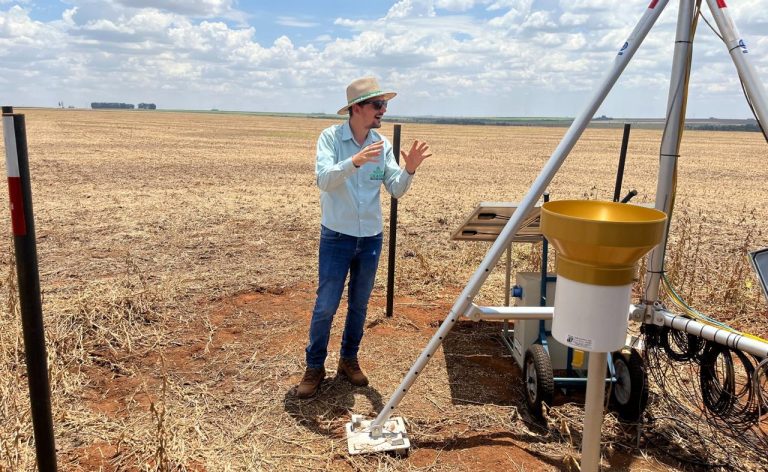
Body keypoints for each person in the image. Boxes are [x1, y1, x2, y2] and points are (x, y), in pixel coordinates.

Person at [297, 76, 432, 398]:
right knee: (326, 306)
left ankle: (348, 360)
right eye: (377, 104)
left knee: (358, 305)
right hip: (337, 237)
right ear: (356, 108)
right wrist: (355, 161)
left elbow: (395, 188)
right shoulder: (331, 138)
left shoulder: (382, 146)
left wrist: (409, 170)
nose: (383, 110)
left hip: (371, 238)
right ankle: (314, 367)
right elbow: (324, 181)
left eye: (384, 104)